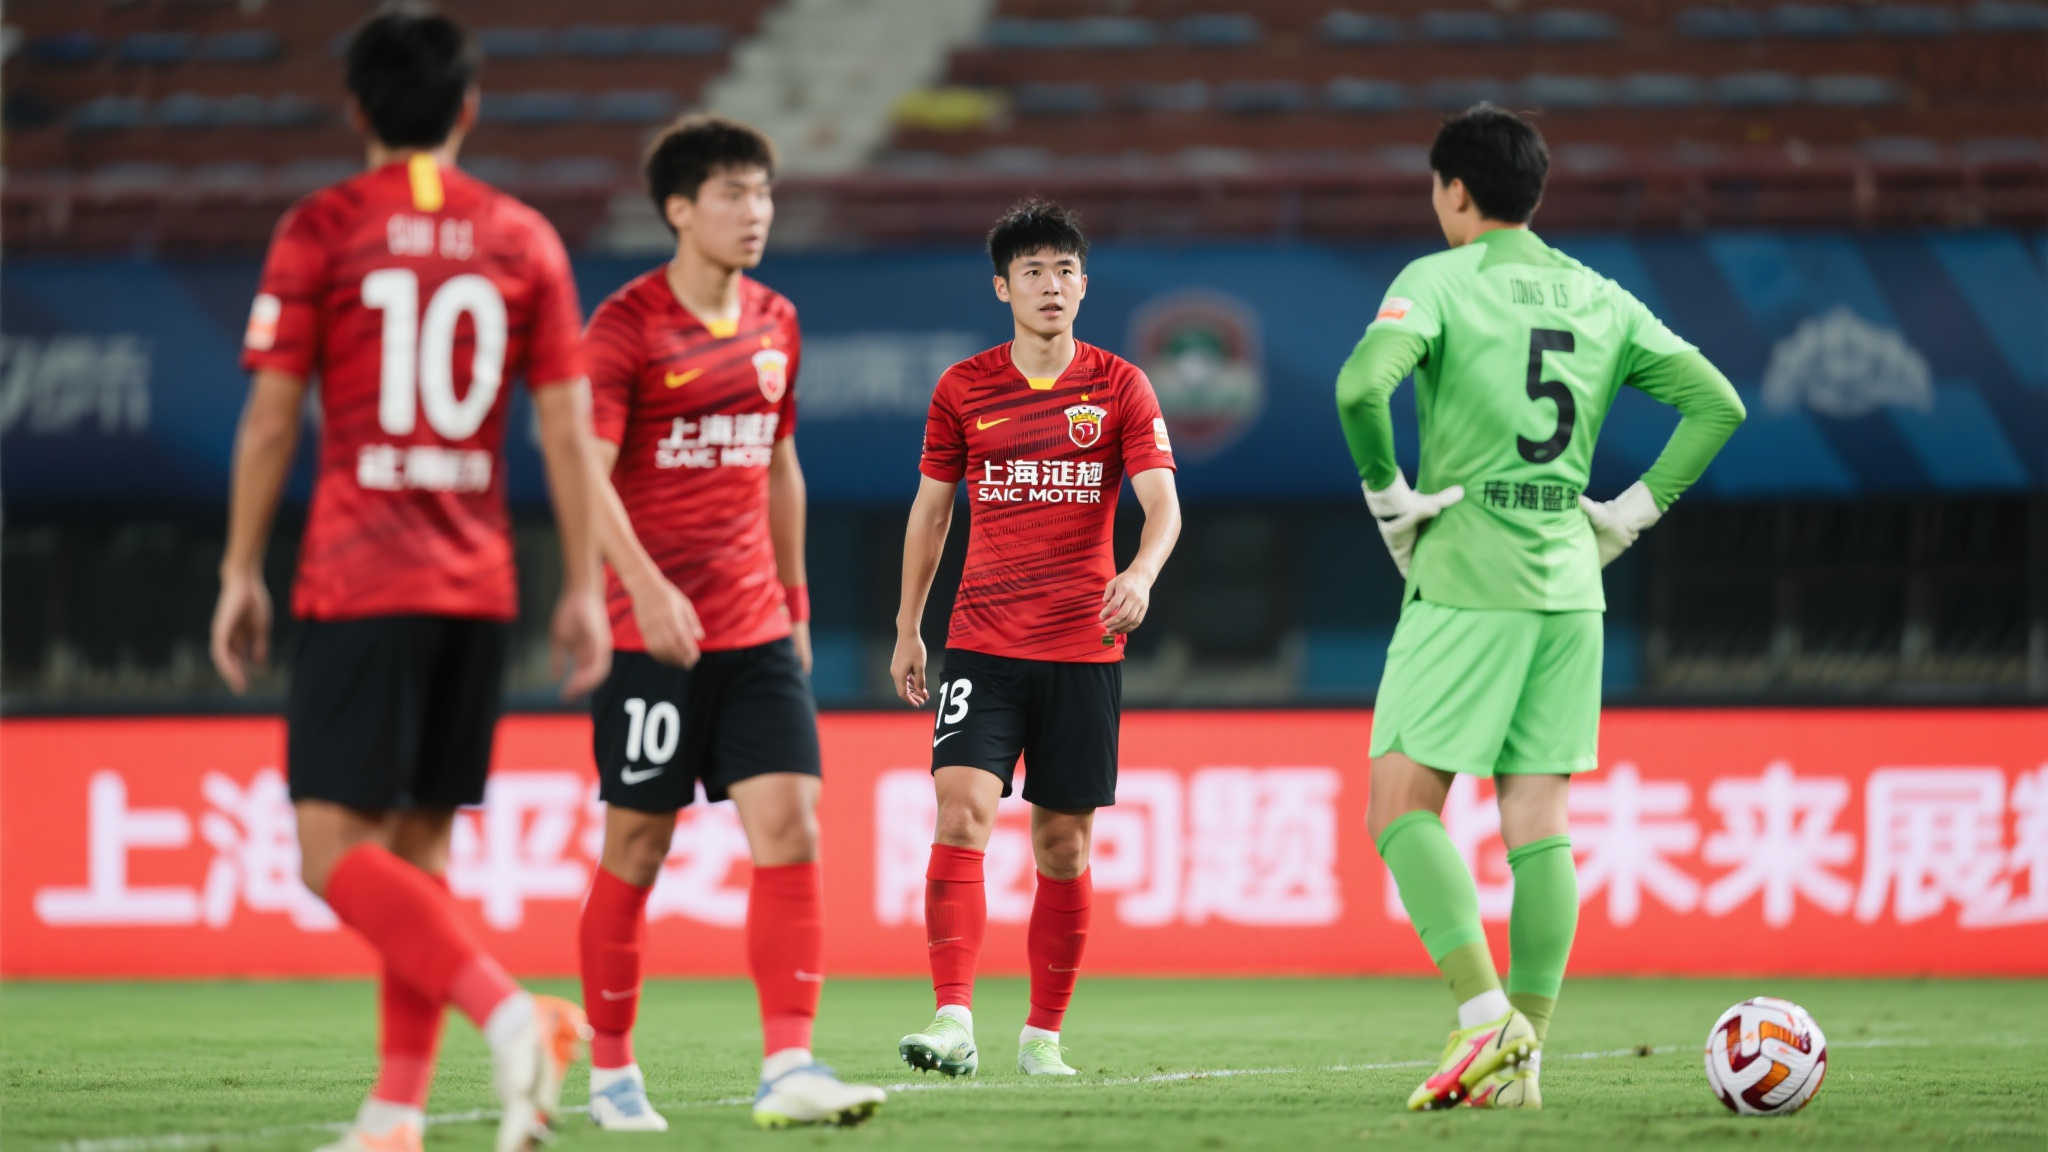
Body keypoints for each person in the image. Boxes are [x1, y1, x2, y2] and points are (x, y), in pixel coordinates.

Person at [209, 5, 608, 1150]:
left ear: (355, 110)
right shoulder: (524, 239)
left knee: (332, 853)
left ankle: (509, 1013)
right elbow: (567, 430)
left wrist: (239, 569)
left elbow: (271, 419)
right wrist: (582, 585)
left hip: (360, 577)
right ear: (468, 108)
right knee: (419, 859)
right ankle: (395, 1114)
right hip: (476, 587)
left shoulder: (322, 227)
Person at [1335, 104, 1746, 1111]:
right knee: (1536, 822)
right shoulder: (1598, 295)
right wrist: (1628, 516)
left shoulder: (1438, 280)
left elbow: (1358, 390)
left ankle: (1487, 1024)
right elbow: (1717, 405)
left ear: (1454, 191)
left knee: (1399, 808)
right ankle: (1528, 1058)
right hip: (1570, 583)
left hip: (1468, 576)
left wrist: (1389, 497)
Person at [572, 114, 884, 1131]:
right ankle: (611, 1074)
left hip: (754, 627)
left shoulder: (776, 320)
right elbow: (583, 473)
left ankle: (788, 1065)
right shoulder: (625, 327)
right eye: (732, 195)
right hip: (650, 637)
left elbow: (779, 465)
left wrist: (795, 601)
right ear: (678, 209)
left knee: (792, 824)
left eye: (764, 193)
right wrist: (643, 587)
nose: (756, 213)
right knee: (637, 846)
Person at [890, 199, 1182, 1079]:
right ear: (1002, 288)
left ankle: (1042, 1038)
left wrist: (1140, 574)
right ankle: (952, 1019)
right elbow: (932, 514)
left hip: (1082, 650)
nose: (1050, 285)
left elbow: (1162, 505)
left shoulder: (1122, 385)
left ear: (1084, 285)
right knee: (960, 811)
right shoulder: (963, 388)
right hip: (982, 644)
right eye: (1032, 272)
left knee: (1064, 845)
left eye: (1064, 271)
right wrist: (909, 626)